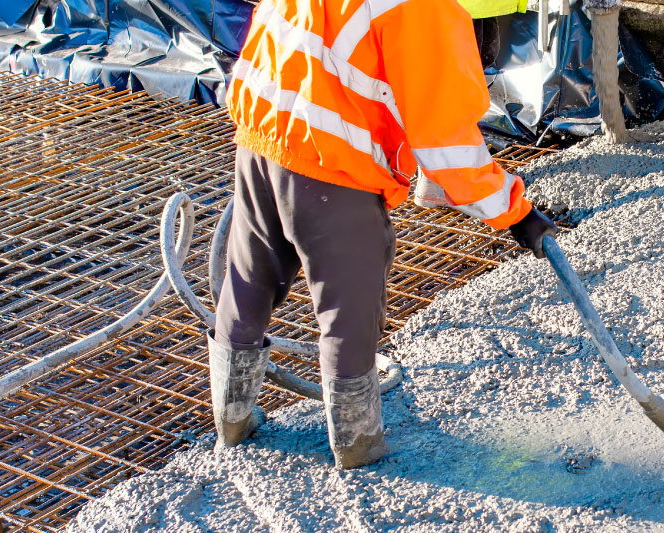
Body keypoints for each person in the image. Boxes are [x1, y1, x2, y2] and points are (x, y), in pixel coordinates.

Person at [211, 0, 557, 469]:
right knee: (348, 306)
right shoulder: (423, 8)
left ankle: (232, 424)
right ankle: (357, 446)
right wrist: (516, 214)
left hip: (261, 132)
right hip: (331, 161)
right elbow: (446, 139)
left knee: (250, 278)